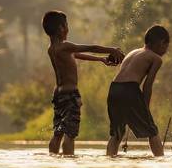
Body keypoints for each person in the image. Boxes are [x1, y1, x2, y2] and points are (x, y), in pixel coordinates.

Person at [42, 10, 124, 155]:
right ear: (61, 28)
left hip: (59, 95)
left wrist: (100, 59)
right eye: (66, 25)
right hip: (70, 94)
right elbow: (91, 47)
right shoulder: (65, 46)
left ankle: (53, 158)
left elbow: (75, 54)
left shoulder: (52, 49)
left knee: (58, 132)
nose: (68, 29)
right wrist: (112, 50)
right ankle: (68, 159)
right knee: (70, 133)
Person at [106, 25, 169, 157]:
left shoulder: (133, 52)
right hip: (129, 89)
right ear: (161, 43)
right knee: (152, 130)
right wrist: (145, 108)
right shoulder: (156, 59)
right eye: (166, 47)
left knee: (116, 132)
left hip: (114, 89)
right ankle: (160, 159)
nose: (165, 51)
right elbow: (147, 85)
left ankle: (110, 159)